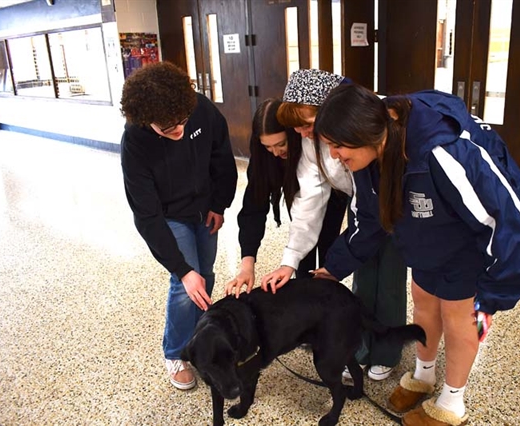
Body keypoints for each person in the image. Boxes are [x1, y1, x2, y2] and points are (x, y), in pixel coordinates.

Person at [311, 84, 520, 425]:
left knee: (459, 318)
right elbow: (368, 218)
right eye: (329, 146)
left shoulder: (442, 153)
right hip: (425, 236)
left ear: (365, 132)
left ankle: (451, 402)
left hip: (468, 241)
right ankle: (424, 375)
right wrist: (333, 267)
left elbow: (502, 218)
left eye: (338, 145)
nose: (334, 155)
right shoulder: (369, 160)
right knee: (424, 302)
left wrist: (493, 295)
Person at [259, 69, 408, 382]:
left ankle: (387, 352)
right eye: (296, 128)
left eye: (307, 124)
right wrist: (290, 260)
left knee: (390, 281)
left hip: (395, 205)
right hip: (362, 207)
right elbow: (308, 203)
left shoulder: (369, 121)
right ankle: (359, 346)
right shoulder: (312, 145)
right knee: (364, 280)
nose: (302, 133)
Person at [120, 62, 238, 391]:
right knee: (185, 281)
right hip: (169, 215)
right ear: (147, 121)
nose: (179, 131)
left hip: (204, 208)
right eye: (168, 128)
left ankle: (201, 338)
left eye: (183, 122)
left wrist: (219, 204)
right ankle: (175, 352)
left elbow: (222, 158)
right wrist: (181, 268)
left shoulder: (201, 110)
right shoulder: (135, 141)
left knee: (207, 274)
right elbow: (146, 214)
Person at [225, 97, 348, 291]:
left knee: (327, 246)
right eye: (268, 147)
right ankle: (303, 296)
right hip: (302, 197)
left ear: (293, 132)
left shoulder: (309, 145)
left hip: (333, 193)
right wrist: (247, 266)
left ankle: (326, 296)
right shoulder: (264, 158)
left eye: (281, 144)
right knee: (302, 251)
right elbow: (254, 207)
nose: (275, 152)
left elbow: (312, 196)